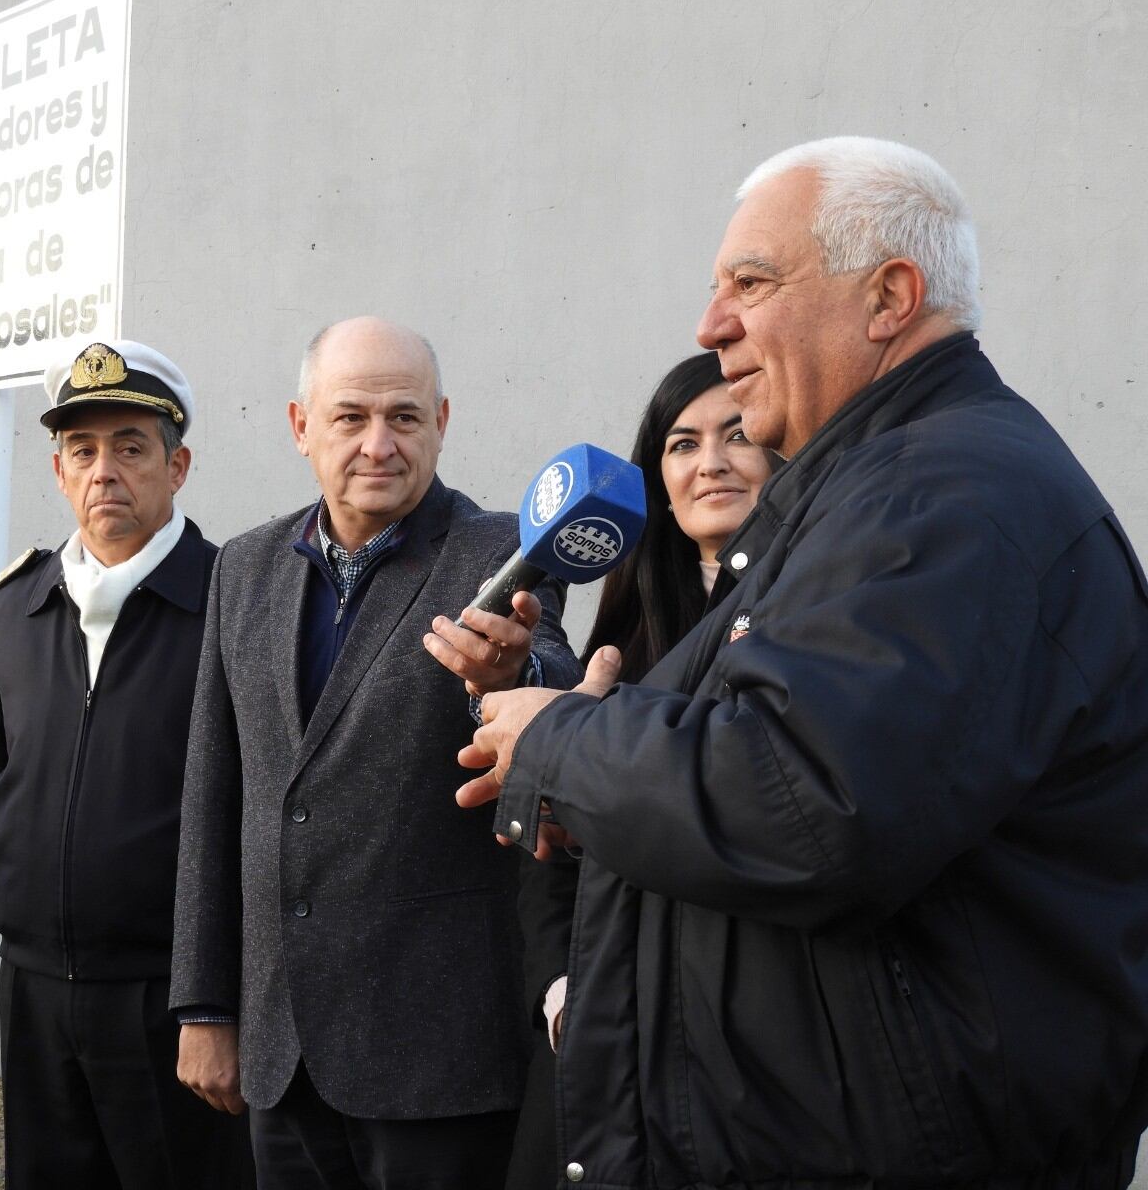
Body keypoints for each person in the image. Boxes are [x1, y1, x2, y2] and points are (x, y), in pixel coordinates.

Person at [462, 136, 1148, 1188]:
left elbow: (801, 799)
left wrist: (561, 742)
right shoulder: (875, 490)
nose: (710, 325)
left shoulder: (944, 497)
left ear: (889, 297)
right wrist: (569, 747)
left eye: (751, 283)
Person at [171, 316, 581, 1189]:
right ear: (299, 425)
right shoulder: (241, 568)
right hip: (283, 1046)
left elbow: (547, 669)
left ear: (442, 420)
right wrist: (207, 1005)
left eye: (404, 417)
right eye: (350, 417)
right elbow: (216, 794)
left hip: (437, 1053)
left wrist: (511, 675)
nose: (378, 444)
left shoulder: (500, 553)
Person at [0, 340, 252, 1188]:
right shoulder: (13, 608)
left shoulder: (234, 604)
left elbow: (256, 815)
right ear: (58, 471)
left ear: (178, 466)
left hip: (169, 999)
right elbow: (13, 772)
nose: (105, 471)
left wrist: (217, 1004)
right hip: (34, 989)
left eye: (130, 447)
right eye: (82, 450)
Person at [505, 353, 777, 1189]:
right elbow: (551, 852)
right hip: (605, 1044)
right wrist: (563, 991)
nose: (711, 463)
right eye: (682, 444)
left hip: (753, 1052)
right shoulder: (620, 639)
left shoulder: (814, 608)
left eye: (737, 436)